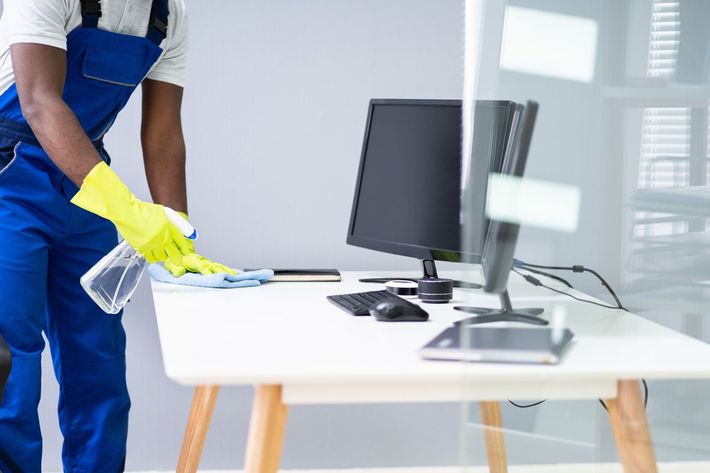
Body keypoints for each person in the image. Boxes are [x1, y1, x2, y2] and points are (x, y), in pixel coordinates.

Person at [0, 0, 233, 471]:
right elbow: (40, 102)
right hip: (10, 181)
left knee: (98, 361)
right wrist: (126, 209)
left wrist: (175, 227)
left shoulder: (169, 16)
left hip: (84, 182)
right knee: (11, 363)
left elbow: (164, 129)